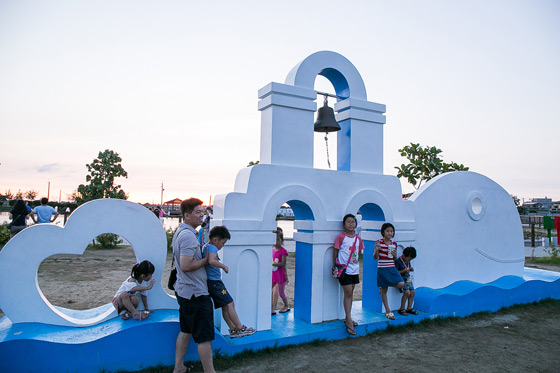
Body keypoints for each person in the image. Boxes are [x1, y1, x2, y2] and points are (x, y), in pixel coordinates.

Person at [172, 198, 215, 373]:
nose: (202, 215)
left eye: (202, 211)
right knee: (204, 337)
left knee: (186, 330)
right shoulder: (189, 236)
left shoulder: (180, 232)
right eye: (198, 212)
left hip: (184, 291)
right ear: (187, 216)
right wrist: (207, 260)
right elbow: (186, 265)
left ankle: (179, 367)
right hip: (195, 294)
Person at [202, 225, 256, 338]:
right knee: (229, 303)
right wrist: (223, 266)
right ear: (215, 240)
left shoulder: (206, 246)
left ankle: (233, 329)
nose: (223, 246)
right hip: (215, 283)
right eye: (223, 242)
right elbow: (211, 261)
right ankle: (240, 328)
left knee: (225, 306)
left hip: (213, 282)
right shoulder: (212, 247)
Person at [333, 213, 364, 335]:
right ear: (344, 224)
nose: (351, 224)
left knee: (351, 294)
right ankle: (349, 319)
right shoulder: (341, 237)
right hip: (344, 270)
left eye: (353, 222)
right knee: (348, 293)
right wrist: (336, 265)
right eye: (348, 222)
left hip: (354, 269)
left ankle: (348, 317)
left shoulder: (358, 238)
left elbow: (359, 252)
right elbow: (335, 251)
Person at [374, 222, 404, 320]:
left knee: (401, 284)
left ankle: (382, 289)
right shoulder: (378, 242)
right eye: (387, 231)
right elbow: (375, 257)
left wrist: (395, 254)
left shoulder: (394, 244)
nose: (389, 233)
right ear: (383, 232)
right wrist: (377, 250)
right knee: (385, 290)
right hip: (382, 267)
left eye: (391, 231)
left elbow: (394, 259)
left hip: (391, 267)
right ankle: (388, 310)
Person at [271, 229, 290, 315]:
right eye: (274, 239)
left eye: (278, 239)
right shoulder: (272, 250)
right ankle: (271, 308)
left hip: (281, 275)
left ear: (282, 240)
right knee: (268, 289)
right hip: (273, 275)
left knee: (281, 292)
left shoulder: (283, 251)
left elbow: (283, 263)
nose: (276, 242)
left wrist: (274, 264)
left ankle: (286, 305)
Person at [395, 246, 418, 316]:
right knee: (407, 293)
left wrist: (410, 269)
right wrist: (403, 271)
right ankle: (401, 308)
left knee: (412, 292)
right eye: (409, 258)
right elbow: (395, 272)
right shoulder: (398, 262)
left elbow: (408, 267)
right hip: (401, 279)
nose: (409, 260)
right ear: (404, 255)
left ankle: (409, 308)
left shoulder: (408, 262)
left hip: (408, 279)